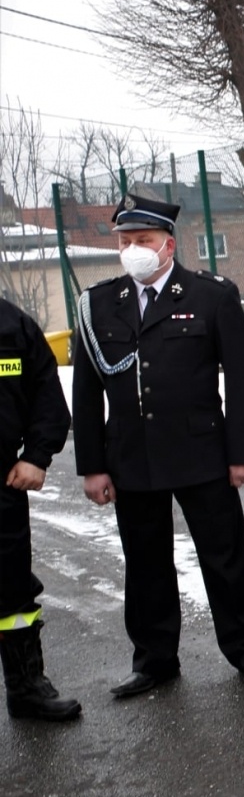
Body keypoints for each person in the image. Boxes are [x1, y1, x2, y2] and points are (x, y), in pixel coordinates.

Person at [73, 194, 244, 696]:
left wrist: (243, 453)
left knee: (225, 556)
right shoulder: (99, 304)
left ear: (169, 244)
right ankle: (154, 659)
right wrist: (93, 465)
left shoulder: (211, 296)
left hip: (200, 452)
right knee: (145, 563)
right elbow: (86, 390)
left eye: (143, 240)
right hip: (131, 456)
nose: (133, 249)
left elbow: (243, 378)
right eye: (125, 241)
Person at [0, 294, 78, 720]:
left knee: (11, 589)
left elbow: (46, 395)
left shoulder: (12, 326)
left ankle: (26, 687)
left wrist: (36, 456)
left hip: (3, 482)